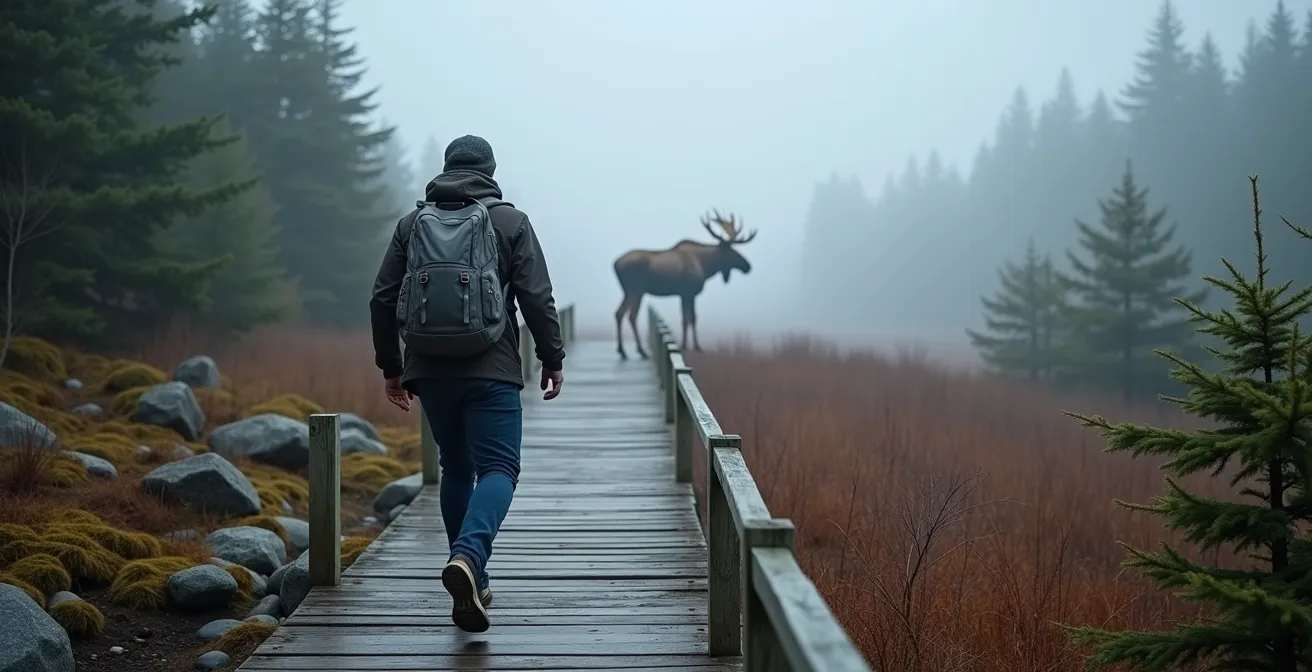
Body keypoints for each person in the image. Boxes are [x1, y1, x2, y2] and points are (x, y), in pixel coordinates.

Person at [369, 135, 566, 633]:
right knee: (499, 467)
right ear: (491, 172)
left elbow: (382, 299)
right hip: (492, 367)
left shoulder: (412, 224)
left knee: (455, 468)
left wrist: (392, 368)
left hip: (428, 370)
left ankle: (472, 581)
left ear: (446, 168)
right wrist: (551, 357)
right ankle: (470, 557)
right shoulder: (510, 221)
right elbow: (537, 298)